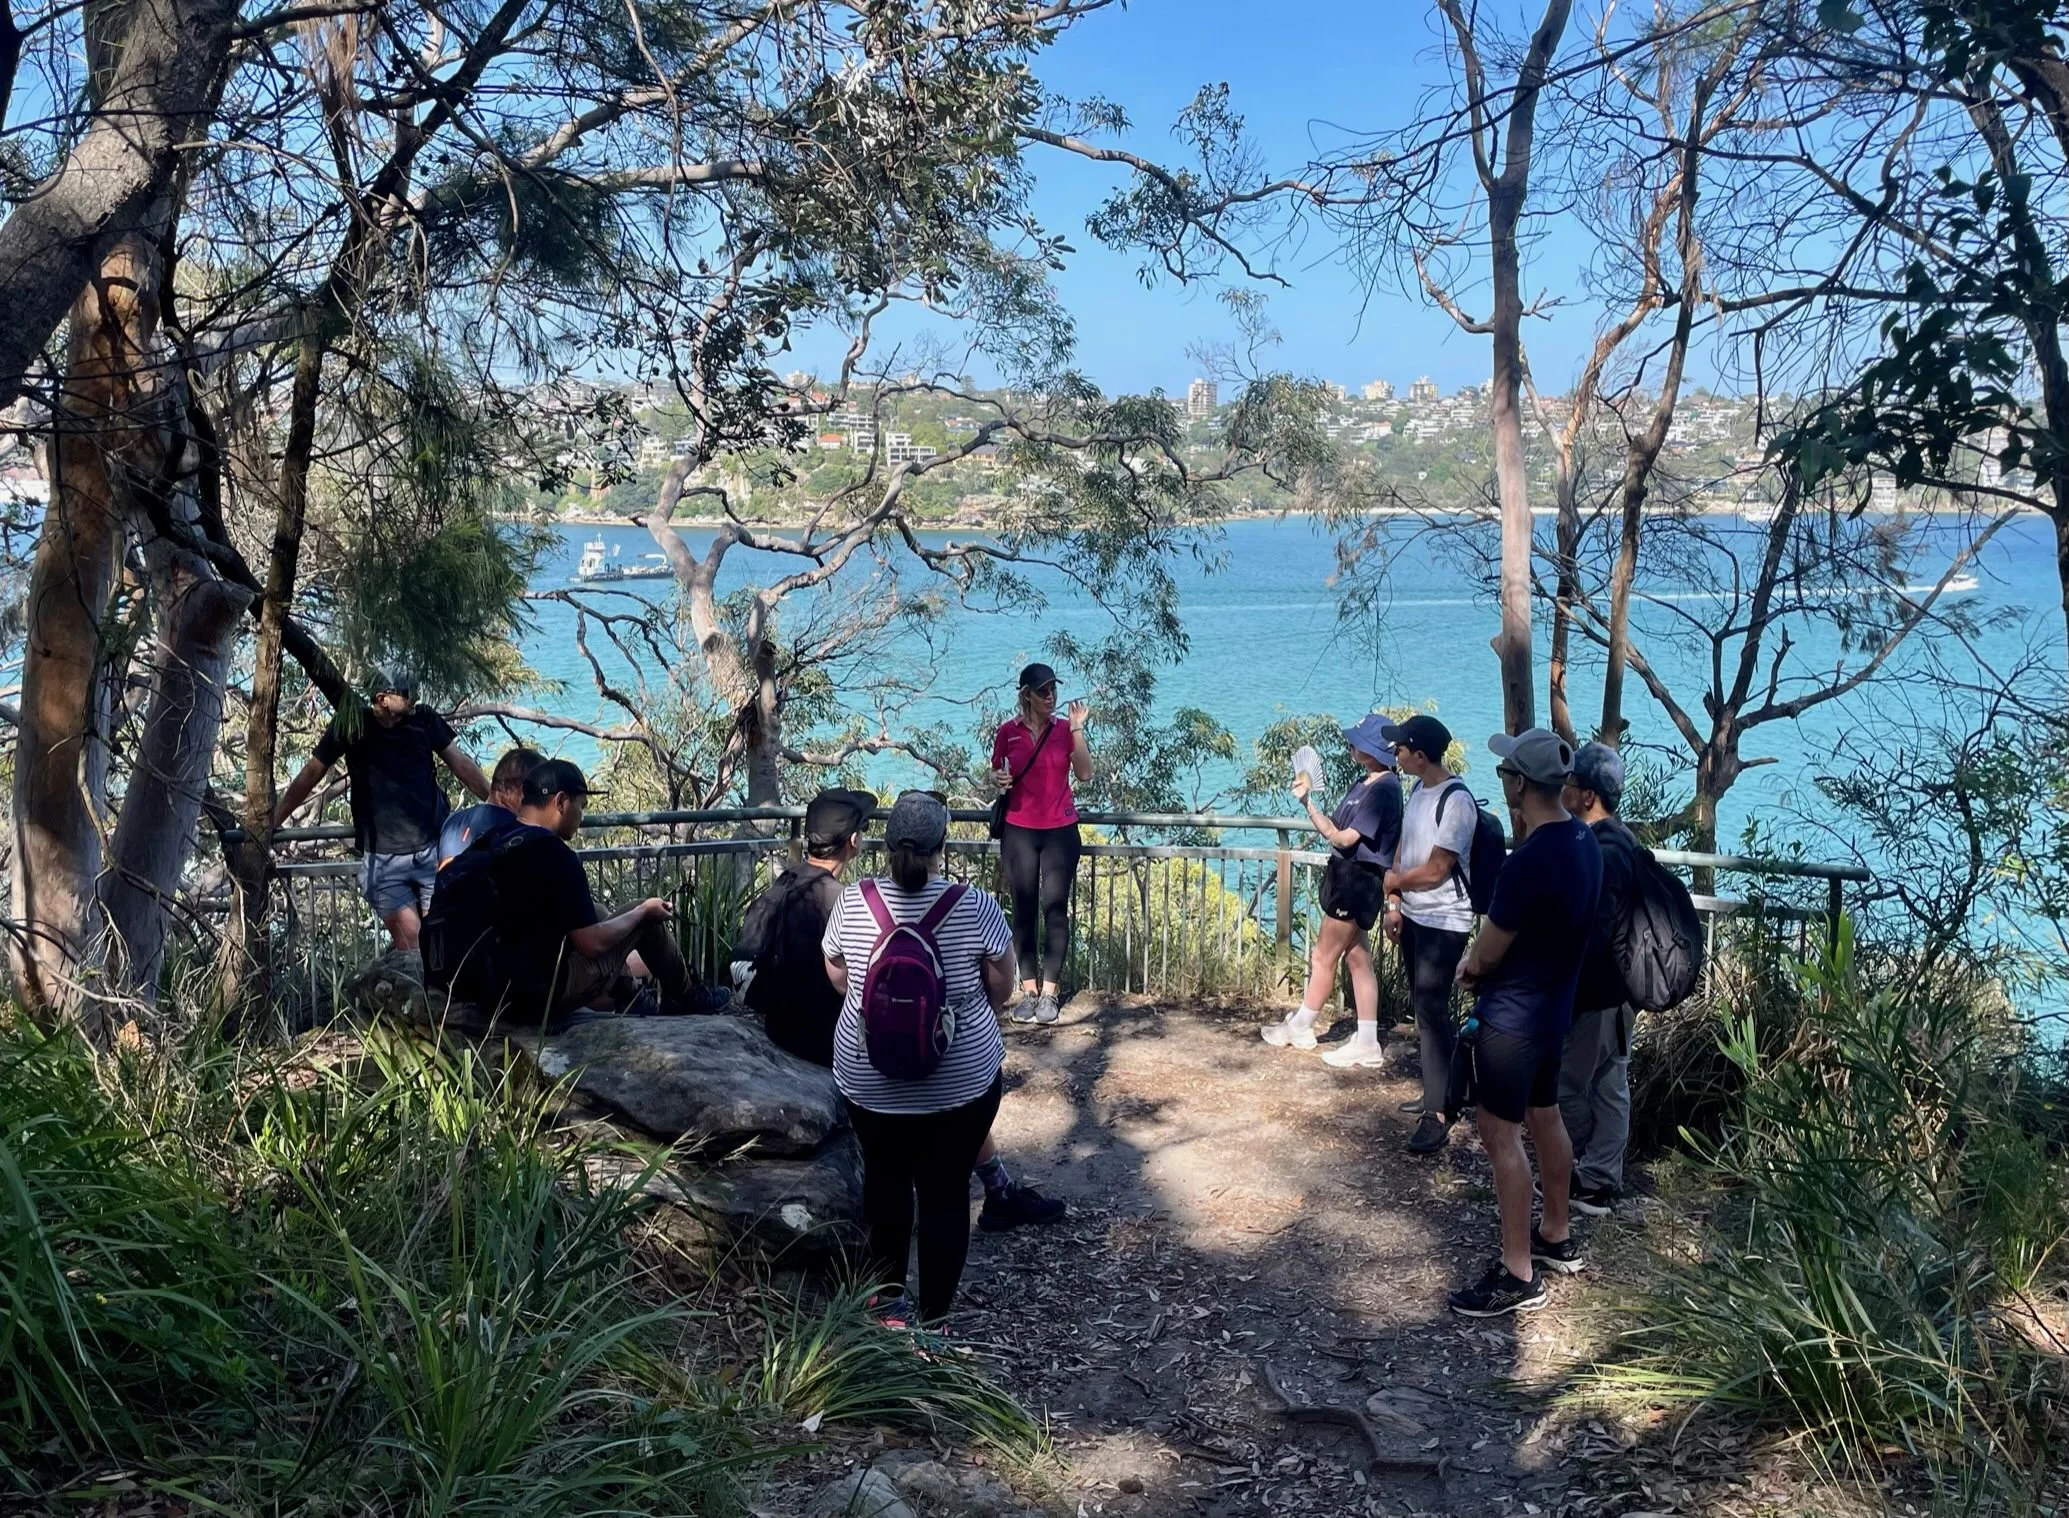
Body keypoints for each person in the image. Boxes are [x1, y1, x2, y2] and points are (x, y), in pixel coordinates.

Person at [738, 787, 1065, 1232]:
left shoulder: (785, 891)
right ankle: (996, 1189)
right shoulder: (841, 898)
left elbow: (824, 978)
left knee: (897, 1158)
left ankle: (986, 1197)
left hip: (789, 1033)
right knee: (952, 1098)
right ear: (854, 842)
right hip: (836, 1045)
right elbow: (996, 987)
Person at [822, 791, 1017, 1323]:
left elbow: (839, 978)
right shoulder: (974, 906)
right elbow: (1003, 987)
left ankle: (889, 1313)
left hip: (869, 1080)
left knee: (885, 1187)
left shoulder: (853, 901)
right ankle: (933, 1324)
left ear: (883, 846)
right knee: (945, 1195)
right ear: (941, 846)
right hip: (959, 1084)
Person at [1447, 728, 1602, 1318]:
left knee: (1499, 1134)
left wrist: (1469, 967)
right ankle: (1556, 1234)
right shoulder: (1584, 841)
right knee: (1545, 1117)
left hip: (1511, 1018)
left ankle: (1518, 1272)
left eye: (1504, 773)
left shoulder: (1530, 860)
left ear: (1517, 784)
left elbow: (1488, 950)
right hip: (1552, 1011)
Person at [422, 758, 706, 1027]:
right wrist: (644, 911)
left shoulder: (493, 840)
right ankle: (686, 998)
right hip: (537, 999)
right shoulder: (555, 854)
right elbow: (591, 944)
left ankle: (631, 997)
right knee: (644, 914)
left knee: (595, 912)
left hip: (485, 991)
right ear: (560, 802)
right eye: (581, 806)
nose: (581, 817)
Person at [273, 669, 490, 951]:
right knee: (411, 944)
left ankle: (447, 995)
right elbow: (311, 773)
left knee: (444, 938)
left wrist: (496, 801)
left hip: (432, 852)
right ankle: (420, 995)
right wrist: (275, 819)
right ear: (382, 698)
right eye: (406, 693)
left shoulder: (423, 720)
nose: (414, 698)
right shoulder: (352, 725)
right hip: (383, 862)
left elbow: (461, 765)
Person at [1261, 713, 1404, 1070]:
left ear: (1374, 750)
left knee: (1323, 956)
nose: (1352, 747)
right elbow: (1335, 826)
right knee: (1358, 959)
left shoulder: (1384, 789)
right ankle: (1367, 1039)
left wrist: (1312, 808)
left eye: (1359, 742)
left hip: (1357, 880)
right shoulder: (1365, 783)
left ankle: (1302, 1026)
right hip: (1347, 875)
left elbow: (1344, 837)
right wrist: (1309, 803)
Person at [1378, 714, 1478, 1155]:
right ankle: (1440, 1092)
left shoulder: (1457, 802)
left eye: (1400, 749)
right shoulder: (1419, 790)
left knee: (1433, 1013)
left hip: (1445, 922)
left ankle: (1438, 1113)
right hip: (1417, 916)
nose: (1394, 755)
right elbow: (1404, 847)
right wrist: (1396, 903)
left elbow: (1438, 870)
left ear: (1420, 755)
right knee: (1424, 1010)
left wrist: (1396, 884)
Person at [1560, 742, 1639, 1217]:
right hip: (1623, 989)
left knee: (1564, 1087)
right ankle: (1601, 1179)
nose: (1563, 791)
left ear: (1587, 796)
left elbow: (1596, 929)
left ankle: (1579, 1171)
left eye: (1570, 785)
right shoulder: (1625, 840)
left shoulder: (1600, 849)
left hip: (1596, 991)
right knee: (1611, 1083)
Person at [990, 662, 1092, 1025]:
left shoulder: (1065, 730)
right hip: (1019, 830)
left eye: (1053, 689)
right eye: (1043, 690)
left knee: (1055, 909)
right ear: (1026, 695)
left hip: (1060, 830)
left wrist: (1078, 729)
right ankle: (1028, 990)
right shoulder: (1008, 732)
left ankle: (1050, 993)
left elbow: (1084, 773)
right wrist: (999, 779)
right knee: (1023, 910)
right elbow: (998, 773)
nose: (1051, 696)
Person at [437, 746, 542, 868]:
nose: (537, 803)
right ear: (515, 791)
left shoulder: (452, 820)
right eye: (533, 793)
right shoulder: (514, 831)